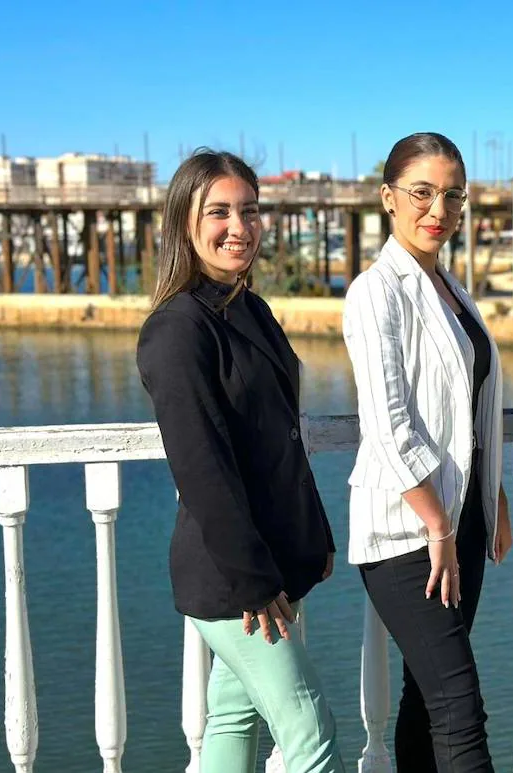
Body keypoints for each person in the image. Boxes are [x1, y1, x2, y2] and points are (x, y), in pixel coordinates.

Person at [135, 148, 345, 773]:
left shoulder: (248, 307)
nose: (239, 227)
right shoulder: (177, 327)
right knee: (312, 733)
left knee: (232, 717)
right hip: (234, 575)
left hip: (271, 562)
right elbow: (201, 468)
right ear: (184, 224)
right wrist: (254, 579)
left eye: (250, 211)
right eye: (219, 211)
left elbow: (281, 437)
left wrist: (315, 536)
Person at [341, 131, 513, 772]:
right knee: (460, 709)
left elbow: (464, 409)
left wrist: (487, 490)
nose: (438, 209)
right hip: (409, 532)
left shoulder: (450, 290)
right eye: (422, 192)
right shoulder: (375, 291)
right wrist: (438, 521)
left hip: (459, 518)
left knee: (426, 699)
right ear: (389, 198)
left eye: (452, 196)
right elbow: (389, 423)